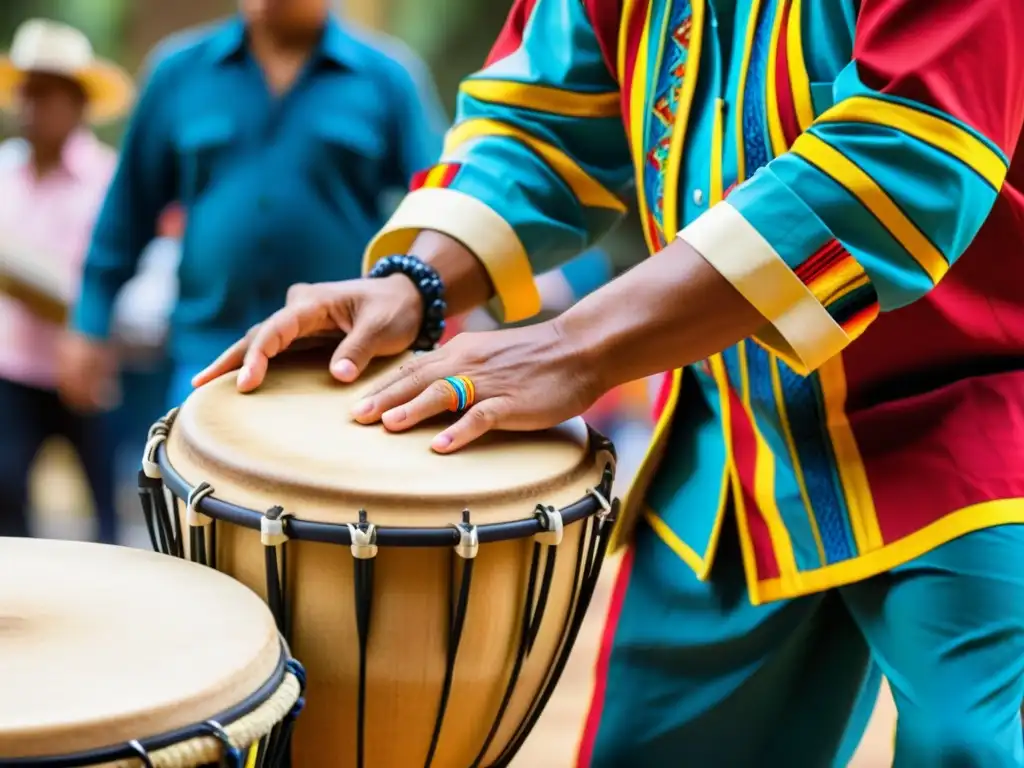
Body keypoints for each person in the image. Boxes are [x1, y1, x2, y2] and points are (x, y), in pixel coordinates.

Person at [197, 0, 1024, 764]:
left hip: (969, 425)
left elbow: (908, 155)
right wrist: (415, 282)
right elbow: (543, 122)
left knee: (970, 746)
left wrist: (575, 347)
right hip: (729, 456)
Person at [60, 0, 449, 410]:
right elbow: (127, 211)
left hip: (339, 362)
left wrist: (419, 300)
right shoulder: (179, 73)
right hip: (206, 361)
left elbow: (439, 205)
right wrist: (89, 323)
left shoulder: (387, 77)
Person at [0, 18, 132, 542]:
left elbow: (128, 273)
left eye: (51, 95)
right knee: (8, 494)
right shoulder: (3, 172)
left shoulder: (108, 178)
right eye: (31, 94)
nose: (38, 108)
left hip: (87, 369)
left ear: (78, 103)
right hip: (12, 369)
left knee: (103, 500)